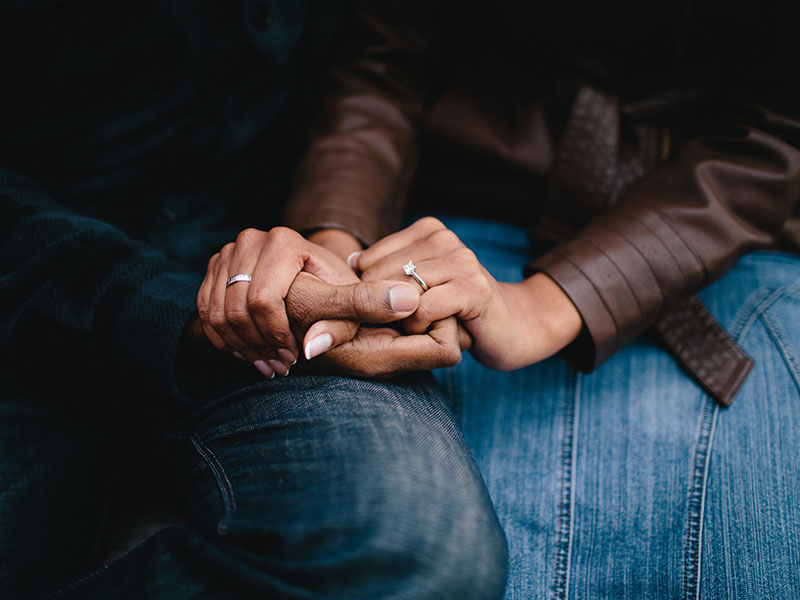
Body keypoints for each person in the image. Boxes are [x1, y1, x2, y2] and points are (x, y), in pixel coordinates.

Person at [203, 2, 800, 598]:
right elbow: (385, 65)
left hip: (724, 247)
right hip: (446, 236)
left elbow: (776, 133)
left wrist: (544, 304)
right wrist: (339, 249)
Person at [0, 1, 508, 598]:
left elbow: (380, 70)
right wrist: (176, 307)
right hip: (30, 303)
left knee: (414, 550)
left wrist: (335, 254)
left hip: (285, 327)